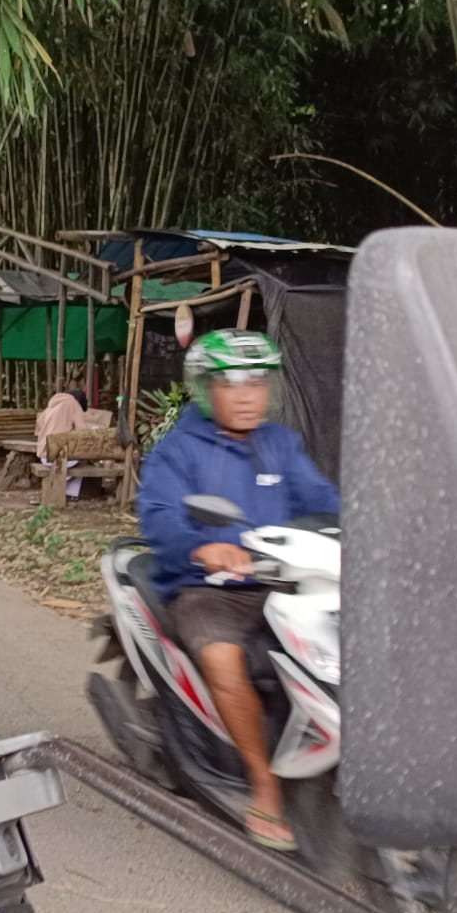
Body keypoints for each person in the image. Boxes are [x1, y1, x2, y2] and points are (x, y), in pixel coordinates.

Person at [137, 329, 339, 850]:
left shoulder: (280, 443)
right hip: (208, 590)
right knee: (225, 660)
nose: (248, 393)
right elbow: (158, 518)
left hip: (281, 582)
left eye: (257, 380)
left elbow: (320, 498)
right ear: (205, 388)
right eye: (231, 382)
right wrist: (202, 548)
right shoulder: (178, 451)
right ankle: (265, 786)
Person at [36, 386, 90, 501]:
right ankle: (70, 492)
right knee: (85, 458)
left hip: (44, 456)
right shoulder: (73, 404)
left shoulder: (51, 405)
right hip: (59, 456)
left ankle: (62, 487)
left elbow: (39, 427)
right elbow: (83, 432)